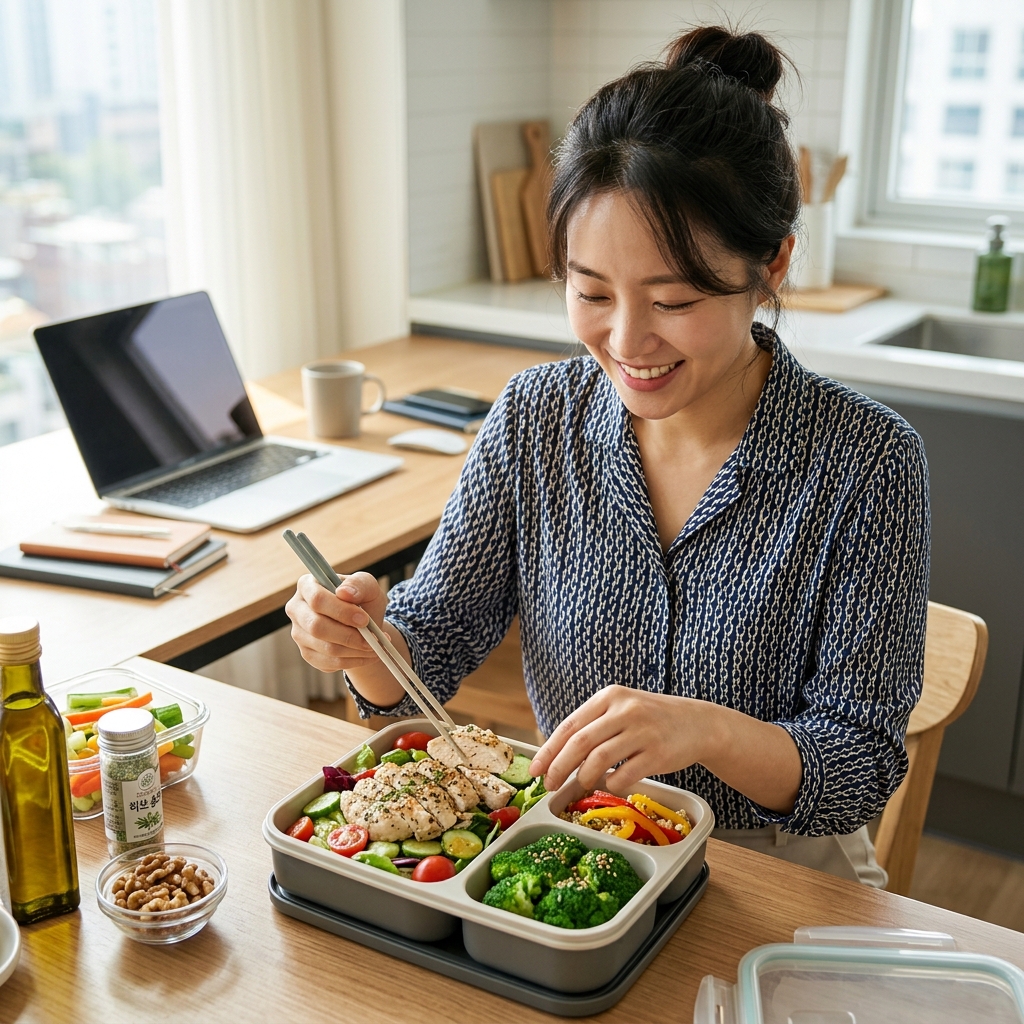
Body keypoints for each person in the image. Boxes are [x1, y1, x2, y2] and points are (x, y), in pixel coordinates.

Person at [286, 26, 929, 886]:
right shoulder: (533, 418)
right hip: (577, 855)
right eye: (589, 292)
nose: (627, 340)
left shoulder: (866, 461)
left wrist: (706, 730)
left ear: (772, 262)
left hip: (779, 874)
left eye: (674, 298)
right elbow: (432, 644)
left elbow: (860, 763)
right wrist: (368, 646)